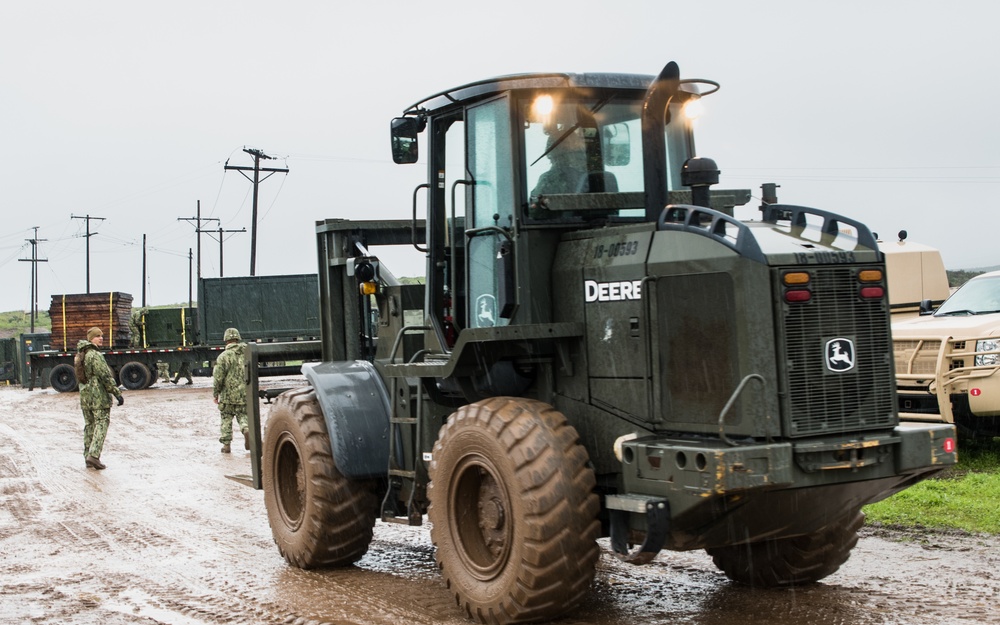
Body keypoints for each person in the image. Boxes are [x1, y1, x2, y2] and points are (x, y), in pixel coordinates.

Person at [76, 327, 124, 470]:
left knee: (89, 426)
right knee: (102, 423)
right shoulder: (95, 355)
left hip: (85, 396)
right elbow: (105, 376)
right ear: (91, 339)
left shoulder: (81, 354)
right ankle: (94, 456)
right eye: (98, 336)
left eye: (102, 336)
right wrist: (117, 393)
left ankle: (87, 456)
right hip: (98, 396)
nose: (101, 338)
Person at [212, 327, 247, 453]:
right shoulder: (247, 353)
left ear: (226, 340)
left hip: (227, 395)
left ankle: (226, 445)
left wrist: (215, 394)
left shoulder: (223, 357)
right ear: (237, 338)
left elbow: (218, 378)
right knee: (243, 416)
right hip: (244, 394)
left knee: (226, 419)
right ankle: (245, 429)